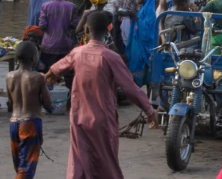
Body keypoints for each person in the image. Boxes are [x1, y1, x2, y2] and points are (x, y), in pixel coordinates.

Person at [46, 12, 158, 179]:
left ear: (86, 29)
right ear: (109, 29)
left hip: (78, 117)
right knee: (106, 163)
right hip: (102, 119)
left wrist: (49, 77)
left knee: (79, 161)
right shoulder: (111, 57)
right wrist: (149, 110)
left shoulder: (77, 53)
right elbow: (130, 88)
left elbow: (54, 69)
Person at [7, 41, 52, 179]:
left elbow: (10, 102)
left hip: (14, 123)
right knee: (26, 167)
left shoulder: (9, 76)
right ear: (34, 58)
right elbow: (48, 104)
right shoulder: (38, 77)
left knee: (20, 164)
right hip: (30, 123)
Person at [38, 0, 78, 86]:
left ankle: (45, 95)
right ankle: (70, 98)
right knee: (69, 75)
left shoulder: (45, 6)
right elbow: (75, 25)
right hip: (65, 46)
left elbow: (42, 26)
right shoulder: (71, 6)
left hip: (48, 47)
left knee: (46, 74)